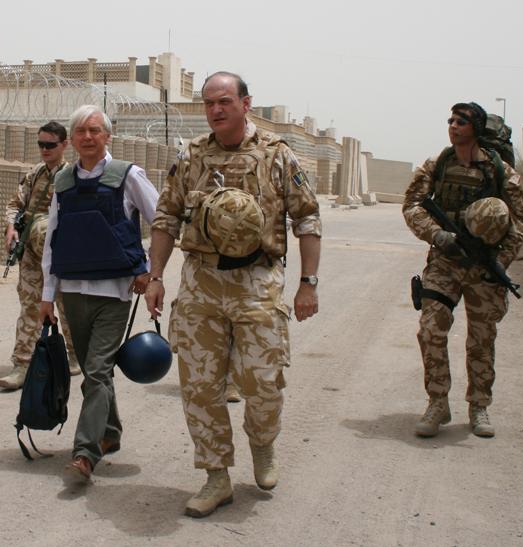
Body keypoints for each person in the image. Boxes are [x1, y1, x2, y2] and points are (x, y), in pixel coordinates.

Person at [145, 72, 322, 518]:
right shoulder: (191, 157)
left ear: (246, 104)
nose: (216, 110)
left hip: (257, 282)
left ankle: (262, 443)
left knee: (264, 382)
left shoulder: (278, 156)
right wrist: (156, 276)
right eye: (208, 103)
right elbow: (166, 217)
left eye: (224, 101)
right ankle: (216, 476)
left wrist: (308, 284)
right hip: (201, 283)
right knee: (200, 387)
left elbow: (308, 220)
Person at [39, 105, 159, 486]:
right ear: (72, 139)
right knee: (98, 372)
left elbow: (162, 221)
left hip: (115, 291)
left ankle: (85, 452)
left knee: (96, 370)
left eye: (94, 130)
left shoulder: (128, 175)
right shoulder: (63, 183)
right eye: (80, 131)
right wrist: (47, 294)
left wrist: (151, 272)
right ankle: (110, 432)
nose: (87, 137)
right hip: (73, 291)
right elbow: (52, 241)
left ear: (108, 136)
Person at [402, 102, 523, 439]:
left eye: (461, 121)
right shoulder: (438, 164)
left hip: (483, 265)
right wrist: (437, 234)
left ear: (475, 127)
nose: (453, 126)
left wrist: (500, 262)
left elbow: (519, 220)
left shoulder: (499, 171)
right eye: (450, 120)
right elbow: (412, 204)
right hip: (445, 261)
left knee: (481, 339)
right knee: (430, 329)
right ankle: (438, 402)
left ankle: (479, 405)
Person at [0, 122, 80, 390]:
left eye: (50, 145)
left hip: (61, 254)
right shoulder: (35, 174)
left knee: (66, 307)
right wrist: (12, 227)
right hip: (32, 253)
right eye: (41, 144)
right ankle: (22, 364)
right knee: (31, 307)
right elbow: (15, 203)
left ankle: (74, 355)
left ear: (64, 144)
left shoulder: (72, 176)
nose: (44, 150)